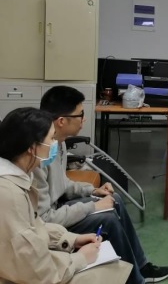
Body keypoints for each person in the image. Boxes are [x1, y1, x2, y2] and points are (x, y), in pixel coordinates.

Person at [35, 86, 168, 284]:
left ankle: (141, 266)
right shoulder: (39, 156)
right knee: (108, 220)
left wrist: (93, 190)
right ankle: (136, 280)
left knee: (114, 199)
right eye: (80, 114)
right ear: (62, 121)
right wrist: (93, 206)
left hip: (58, 209)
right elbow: (45, 219)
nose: (84, 119)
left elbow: (62, 184)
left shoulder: (58, 142)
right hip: (51, 221)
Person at [0, 107, 132, 283]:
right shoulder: (9, 195)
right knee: (111, 271)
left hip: (40, 267)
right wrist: (80, 258)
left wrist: (71, 239)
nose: (54, 143)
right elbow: (37, 272)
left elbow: (35, 226)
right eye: (51, 138)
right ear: (32, 148)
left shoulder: (20, 177)